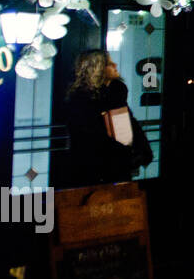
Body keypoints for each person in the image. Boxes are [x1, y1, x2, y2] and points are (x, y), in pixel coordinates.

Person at [57, 49, 154, 190]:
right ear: (97, 70)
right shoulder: (80, 100)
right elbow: (90, 138)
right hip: (93, 169)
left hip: (120, 166)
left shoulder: (117, 93)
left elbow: (129, 121)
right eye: (109, 63)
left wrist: (142, 149)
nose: (115, 65)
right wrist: (125, 154)